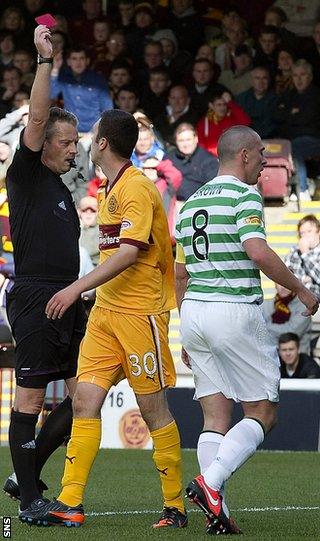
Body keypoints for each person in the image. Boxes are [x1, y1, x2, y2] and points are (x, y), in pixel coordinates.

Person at [30, 108, 187, 530]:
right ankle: (69, 501)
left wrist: (76, 287)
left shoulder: (136, 187)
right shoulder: (107, 189)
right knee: (84, 400)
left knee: (153, 410)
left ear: (102, 144)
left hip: (140, 314)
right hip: (106, 314)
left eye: (91, 134)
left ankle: (175, 506)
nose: (85, 140)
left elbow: (129, 252)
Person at [175, 125, 318, 534]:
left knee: (214, 416)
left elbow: (180, 274)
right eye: (260, 155)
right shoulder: (243, 194)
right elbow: (256, 251)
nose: (264, 164)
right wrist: (301, 290)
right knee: (263, 411)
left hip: (196, 313)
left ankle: (216, 510)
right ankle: (211, 483)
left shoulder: (189, 204)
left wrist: (187, 328)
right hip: (233, 308)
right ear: (243, 156)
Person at [3, 25, 87, 524]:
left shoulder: (61, 189)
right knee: (31, 398)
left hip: (69, 299)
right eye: (67, 142)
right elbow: (37, 115)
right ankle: (31, 498)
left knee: (86, 398)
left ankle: (26, 469)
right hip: (35, 297)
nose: (74, 149)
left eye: (77, 141)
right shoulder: (28, 173)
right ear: (43, 143)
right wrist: (43, 62)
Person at [273, 60, 320, 200]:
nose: (298, 79)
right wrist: (292, 114)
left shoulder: (316, 95)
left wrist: (290, 116)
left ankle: (302, 189)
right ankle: (283, 189)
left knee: (294, 147)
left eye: (303, 74)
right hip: (291, 138)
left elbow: (307, 120)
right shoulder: (289, 95)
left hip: (315, 139)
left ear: (310, 76)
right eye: (295, 75)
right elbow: (276, 115)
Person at [170, 122, 219, 204]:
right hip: (174, 204)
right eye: (181, 141)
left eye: (188, 140)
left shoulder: (209, 160)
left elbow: (214, 189)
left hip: (200, 204)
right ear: (176, 141)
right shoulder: (169, 158)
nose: (185, 144)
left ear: (196, 139)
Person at [262, 283, 312, 354]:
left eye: (286, 284)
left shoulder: (304, 307)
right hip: (269, 355)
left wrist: (265, 328)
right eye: (279, 283)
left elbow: (291, 333)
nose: (283, 287)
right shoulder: (266, 304)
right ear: (275, 285)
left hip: (297, 358)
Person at [284, 214, 320, 299]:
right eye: (302, 233)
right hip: (297, 301)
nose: (306, 236)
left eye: (309, 231)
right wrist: (305, 279)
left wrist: (306, 253)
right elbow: (286, 277)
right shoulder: (294, 252)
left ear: (318, 232)